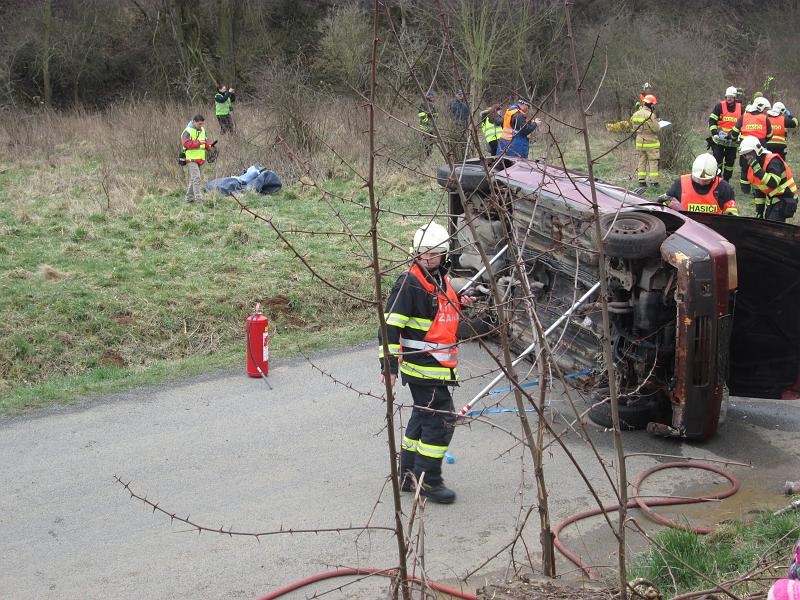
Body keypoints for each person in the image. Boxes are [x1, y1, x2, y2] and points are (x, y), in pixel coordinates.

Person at [379, 222, 474, 504]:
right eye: (423, 253)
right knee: (441, 421)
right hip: (421, 366)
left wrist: (463, 303)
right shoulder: (409, 282)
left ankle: (408, 474)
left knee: (422, 418)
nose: (428, 258)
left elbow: (439, 312)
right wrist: (389, 366)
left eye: (434, 254)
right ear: (415, 252)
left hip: (435, 365)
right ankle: (428, 480)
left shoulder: (438, 279)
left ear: (444, 255)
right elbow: (389, 327)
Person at [739, 136, 798, 222]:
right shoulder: (753, 169)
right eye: (745, 155)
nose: (747, 157)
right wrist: (759, 212)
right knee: (767, 222)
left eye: (749, 153)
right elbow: (759, 193)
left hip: (787, 197)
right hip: (774, 199)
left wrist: (758, 171)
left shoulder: (772, 161)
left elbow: (773, 183)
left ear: (757, 150)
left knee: (773, 226)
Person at [658, 153, 738, 215]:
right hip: (684, 229)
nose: (702, 182)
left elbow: (732, 215)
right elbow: (662, 202)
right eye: (699, 179)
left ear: (715, 175)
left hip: (714, 231)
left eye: (706, 180)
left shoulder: (723, 187)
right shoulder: (681, 183)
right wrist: (669, 204)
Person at [730, 96, 772, 193]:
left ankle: (745, 190)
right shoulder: (765, 118)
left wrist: (733, 139)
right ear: (761, 108)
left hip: (745, 148)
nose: (767, 112)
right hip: (760, 148)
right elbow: (769, 135)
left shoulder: (744, 116)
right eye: (766, 109)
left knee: (745, 168)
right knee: (760, 167)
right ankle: (759, 189)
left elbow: (735, 132)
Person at [708, 86, 743, 182]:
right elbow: (712, 120)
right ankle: (717, 178)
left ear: (735, 97)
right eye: (728, 96)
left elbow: (744, 123)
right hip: (719, 139)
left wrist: (740, 136)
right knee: (717, 159)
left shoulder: (741, 108)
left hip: (733, 141)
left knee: (730, 162)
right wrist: (714, 133)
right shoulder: (719, 106)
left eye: (731, 97)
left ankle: (726, 180)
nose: (729, 98)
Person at [181, 114, 213, 204]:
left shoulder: (202, 130)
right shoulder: (187, 131)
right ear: (194, 122)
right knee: (197, 178)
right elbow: (186, 144)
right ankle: (199, 200)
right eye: (199, 124)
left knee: (194, 179)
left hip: (200, 158)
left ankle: (188, 199)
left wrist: (209, 147)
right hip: (191, 159)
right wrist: (199, 142)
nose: (201, 126)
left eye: (202, 124)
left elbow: (204, 142)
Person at [630, 94, 661, 187]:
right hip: (651, 143)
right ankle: (654, 182)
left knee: (641, 161)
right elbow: (656, 129)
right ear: (651, 105)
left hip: (639, 142)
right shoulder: (650, 115)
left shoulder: (635, 114)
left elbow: (633, 128)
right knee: (653, 161)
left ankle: (642, 182)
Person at [418, 90, 438, 156]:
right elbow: (420, 115)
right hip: (424, 125)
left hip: (432, 125)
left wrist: (433, 116)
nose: (434, 98)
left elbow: (436, 115)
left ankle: (429, 154)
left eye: (434, 97)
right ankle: (425, 154)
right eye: (433, 97)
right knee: (425, 141)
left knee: (431, 141)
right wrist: (427, 115)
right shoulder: (423, 104)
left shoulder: (434, 105)